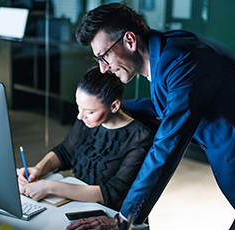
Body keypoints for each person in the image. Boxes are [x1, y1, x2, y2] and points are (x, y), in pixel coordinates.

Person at [69, 3, 235, 230]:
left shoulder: (182, 60)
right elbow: (169, 105)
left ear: (129, 40)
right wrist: (118, 107)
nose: (103, 68)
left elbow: (167, 146)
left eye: (104, 56)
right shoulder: (167, 52)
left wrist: (125, 218)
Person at [18, 67, 153, 211]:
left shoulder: (139, 137)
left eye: (89, 111)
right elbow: (64, 152)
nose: (80, 116)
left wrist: (50, 187)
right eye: (79, 107)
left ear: (114, 106)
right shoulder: (87, 120)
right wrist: (38, 168)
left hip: (108, 215)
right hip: (78, 204)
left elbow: (113, 192)